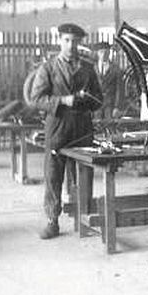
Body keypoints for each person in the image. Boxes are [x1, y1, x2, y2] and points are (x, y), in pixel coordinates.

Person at [27, 23, 103, 239]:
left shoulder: (88, 69)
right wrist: (62, 100)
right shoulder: (48, 68)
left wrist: (86, 99)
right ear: (60, 41)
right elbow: (36, 99)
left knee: (84, 173)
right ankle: (52, 221)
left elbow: (99, 100)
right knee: (53, 174)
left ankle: (85, 218)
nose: (71, 45)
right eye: (67, 40)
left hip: (83, 127)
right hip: (58, 127)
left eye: (75, 41)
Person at [93, 41, 122, 120]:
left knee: (110, 125)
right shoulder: (93, 68)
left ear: (109, 53)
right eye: (101, 52)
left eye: (106, 52)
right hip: (96, 105)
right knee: (96, 125)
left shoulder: (115, 68)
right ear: (97, 53)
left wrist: (117, 107)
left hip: (110, 106)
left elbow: (119, 89)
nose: (103, 54)